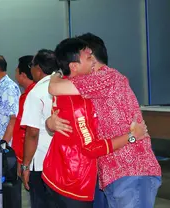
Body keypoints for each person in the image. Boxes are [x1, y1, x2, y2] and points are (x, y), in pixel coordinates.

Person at [44, 37, 149, 208]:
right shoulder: (77, 98)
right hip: (75, 179)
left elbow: (54, 89)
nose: (92, 61)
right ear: (74, 66)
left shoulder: (101, 80)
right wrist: (131, 137)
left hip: (124, 171)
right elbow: (90, 147)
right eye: (88, 57)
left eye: (92, 55)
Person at [19, 50, 57, 208]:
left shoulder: (36, 93)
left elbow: (32, 133)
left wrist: (25, 165)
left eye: (31, 66)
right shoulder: (65, 87)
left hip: (41, 163)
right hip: (62, 162)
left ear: (38, 69)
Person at [11, 55, 35, 165]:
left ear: (23, 75)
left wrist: (22, 160)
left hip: (28, 157)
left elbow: (25, 132)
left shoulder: (29, 96)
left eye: (16, 71)